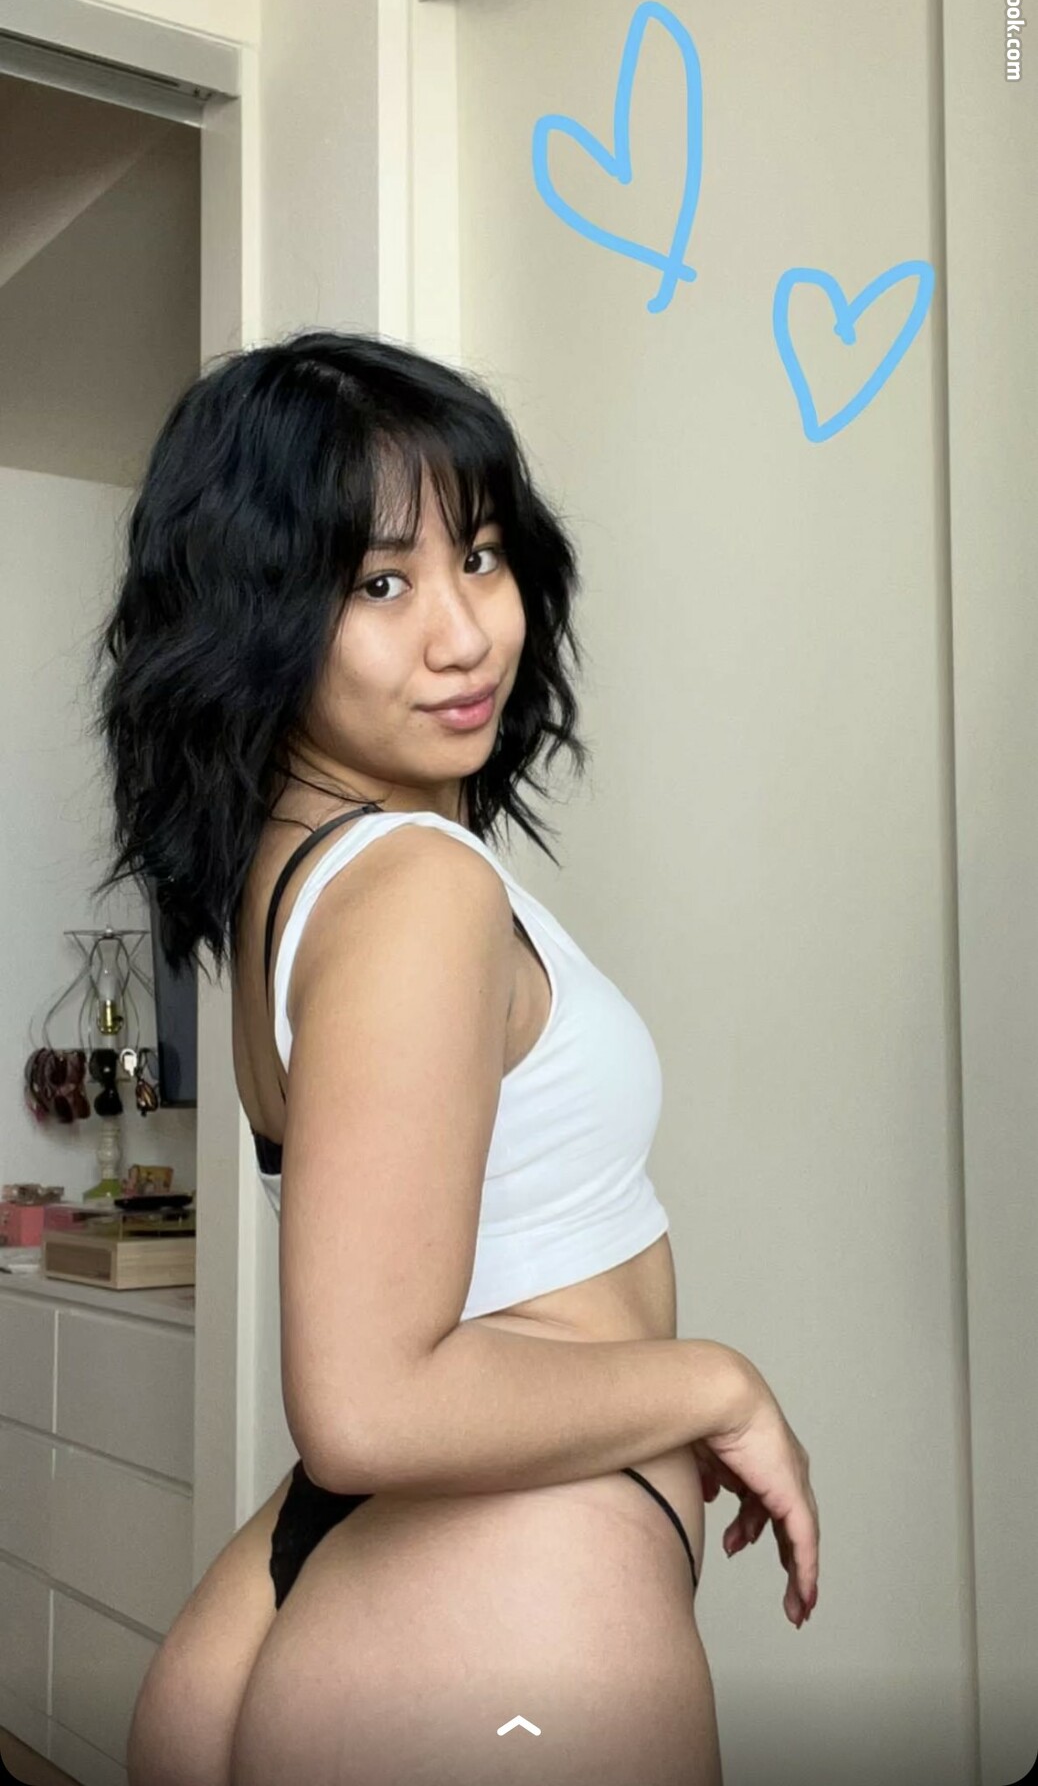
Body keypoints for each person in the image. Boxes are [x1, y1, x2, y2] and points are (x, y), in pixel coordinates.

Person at [91, 330, 819, 1786]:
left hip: (336, 1579)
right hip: (507, 1592)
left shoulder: (294, 875)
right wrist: (715, 1385)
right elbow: (367, 1405)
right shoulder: (418, 886)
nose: (465, 633)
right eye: (380, 583)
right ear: (253, 612)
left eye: (478, 557)